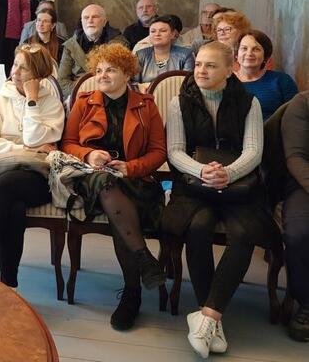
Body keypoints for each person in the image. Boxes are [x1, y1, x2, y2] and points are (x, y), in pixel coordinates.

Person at [162, 41, 276, 358]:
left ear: (229, 70)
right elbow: (175, 151)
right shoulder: (179, 102)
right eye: (198, 64)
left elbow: (254, 150)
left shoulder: (248, 102)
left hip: (238, 185)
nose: (201, 71)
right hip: (194, 185)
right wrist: (203, 171)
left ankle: (209, 316)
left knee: (243, 233)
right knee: (198, 227)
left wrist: (228, 173)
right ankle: (209, 315)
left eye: (211, 66)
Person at [61, 42, 167, 330]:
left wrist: (131, 167)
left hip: (133, 178)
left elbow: (158, 152)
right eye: (98, 70)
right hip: (92, 177)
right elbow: (67, 143)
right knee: (106, 183)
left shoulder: (146, 105)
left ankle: (132, 292)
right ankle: (141, 266)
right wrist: (89, 154)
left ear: (127, 74)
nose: (102, 75)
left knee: (122, 215)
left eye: (111, 70)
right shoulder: (84, 102)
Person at [0, 44, 64, 288]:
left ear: (39, 74)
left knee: (6, 186)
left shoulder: (51, 105)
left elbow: (34, 137)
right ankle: (8, 282)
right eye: (15, 64)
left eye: (24, 68)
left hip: (38, 178)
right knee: (14, 206)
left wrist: (32, 101)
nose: (15, 72)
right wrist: (25, 150)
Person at [278, 91, 309, 341]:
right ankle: (306, 303)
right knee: (298, 234)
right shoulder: (303, 103)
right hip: (303, 185)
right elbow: (295, 157)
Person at [58, 4, 128, 96]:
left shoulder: (118, 44)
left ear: (104, 22)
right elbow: (62, 81)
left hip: (110, 95)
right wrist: (83, 92)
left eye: (95, 17)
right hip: (78, 95)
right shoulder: (70, 46)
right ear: (82, 22)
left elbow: (123, 77)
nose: (90, 21)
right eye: (86, 17)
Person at [234, 30, 297, 120]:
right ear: (237, 54)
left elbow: (295, 116)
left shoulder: (282, 80)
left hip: (272, 128)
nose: (249, 53)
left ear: (265, 56)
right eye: (244, 48)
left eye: (256, 49)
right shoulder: (225, 82)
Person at [134, 15, 195, 84]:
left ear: (173, 34)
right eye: (153, 31)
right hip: (145, 91)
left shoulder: (186, 55)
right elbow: (132, 83)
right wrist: (140, 86)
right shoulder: (140, 55)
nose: (157, 34)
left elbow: (188, 83)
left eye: (163, 31)